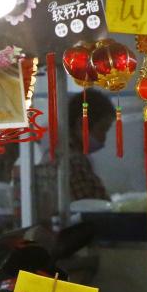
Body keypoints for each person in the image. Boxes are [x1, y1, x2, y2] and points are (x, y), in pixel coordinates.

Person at [26, 88, 114, 221]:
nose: (104, 138)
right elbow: (92, 212)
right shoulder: (73, 162)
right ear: (82, 124)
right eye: (102, 129)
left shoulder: (56, 154)